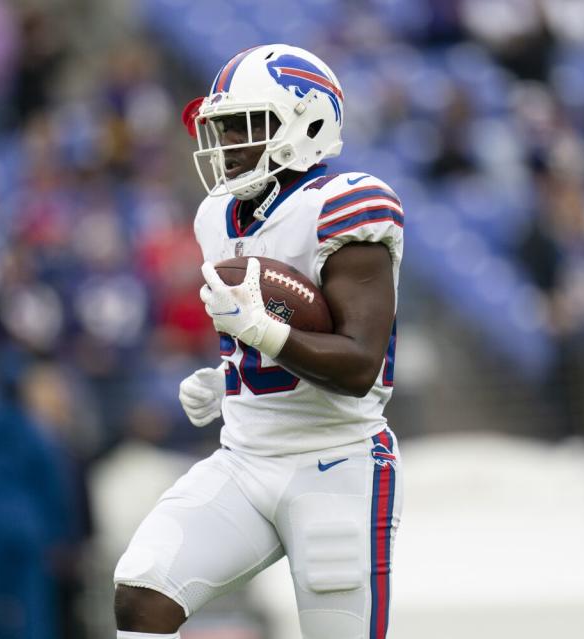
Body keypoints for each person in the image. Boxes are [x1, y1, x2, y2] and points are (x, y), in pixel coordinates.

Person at [112, 44, 404, 639]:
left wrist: (260, 332)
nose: (227, 144)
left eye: (244, 125)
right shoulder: (216, 216)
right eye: (220, 127)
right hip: (245, 458)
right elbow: (269, 336)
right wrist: (227, 379)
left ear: (309, 122)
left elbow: (357, 366)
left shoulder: (343, 205)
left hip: (336, 460)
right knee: (143, 591)